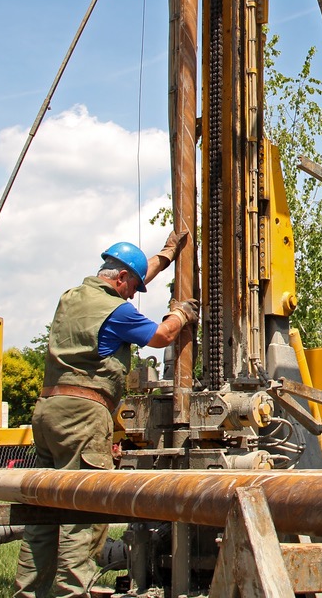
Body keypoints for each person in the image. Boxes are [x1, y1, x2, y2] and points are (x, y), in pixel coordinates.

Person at [15, 234, 197, 598]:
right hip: (82, 416)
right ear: (120, 280)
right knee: (82, 508)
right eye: (133, 288)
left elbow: (130, 277)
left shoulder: (70, 298)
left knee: (43, 509)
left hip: (48, 412)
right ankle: (72, 593)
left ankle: (28, 591)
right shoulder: (117, 310)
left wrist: (166, 254)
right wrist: (181, 313)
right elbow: (161, 336)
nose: (133, 295)